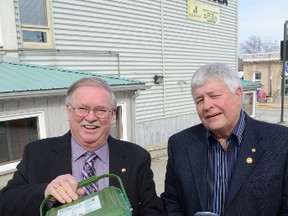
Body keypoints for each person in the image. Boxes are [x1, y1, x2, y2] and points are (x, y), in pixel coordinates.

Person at [0, 77, 165, 216]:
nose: (91, 117)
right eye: (82, 109)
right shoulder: (37, 153)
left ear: (112, 114)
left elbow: (152, 210)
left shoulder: (136, 157)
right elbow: (5, 203)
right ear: (68, 111)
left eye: (101, 110)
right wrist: (45, 192)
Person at [161, 63, 288, 216]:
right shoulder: (180, 144)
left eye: (214, 96)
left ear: (238, 94)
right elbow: (172, 202)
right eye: (199, 100)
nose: (207, 105)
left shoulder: (281, 141)